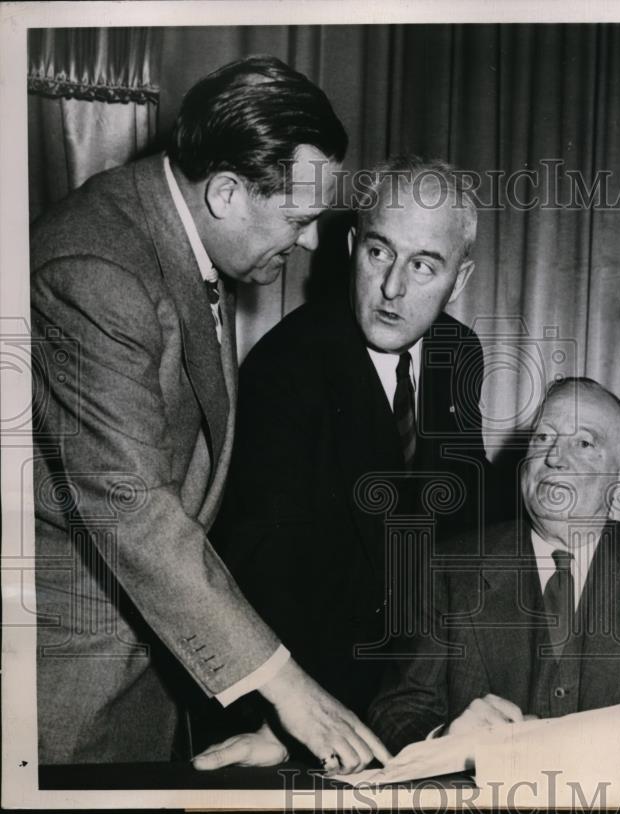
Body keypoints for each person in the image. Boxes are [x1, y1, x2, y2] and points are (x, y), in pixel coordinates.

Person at [30, 55, 388, 771]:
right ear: (226, 193)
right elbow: (132, 505)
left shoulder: (173, 236)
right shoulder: (97, 268)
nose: (312, 242)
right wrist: (287, 686)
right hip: (66, 675)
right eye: (299, 219)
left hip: (143, 657)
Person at [197, 156, 494, 758]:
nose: (393, 288)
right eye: (380, 253)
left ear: (458, 281)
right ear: (353, 248)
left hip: (423, 694)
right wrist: (285, 728)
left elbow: (463, 521)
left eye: (423, 265)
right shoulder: (285, 369)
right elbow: (262, 574)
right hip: (320, 704)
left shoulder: (459, 351)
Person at [367, 378, 620, 765]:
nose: (554, 457)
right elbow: (396, 712)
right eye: (542, 438)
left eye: (583, 443)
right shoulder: (449, 569)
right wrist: (447, 741)